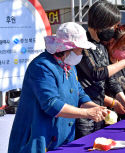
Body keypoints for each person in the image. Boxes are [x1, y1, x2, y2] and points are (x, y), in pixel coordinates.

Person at [8, 22, 108, 153]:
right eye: (79, 49)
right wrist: (87, 113)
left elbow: (79, 94)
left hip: (63, 139)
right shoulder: (41, 66)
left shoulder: (69, 66)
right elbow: (51, 104)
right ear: (67, 49)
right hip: (37, 139)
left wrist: (93, 107)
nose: (82, 53)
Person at [75, 0, 125, 139]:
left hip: (101, 110)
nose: (114, 29)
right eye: (112, 25)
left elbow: (111, 81)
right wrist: (124, 63)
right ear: (101, 23)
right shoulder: (83, 43)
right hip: (84, 113)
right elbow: (97, 73)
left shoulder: (101, 45)